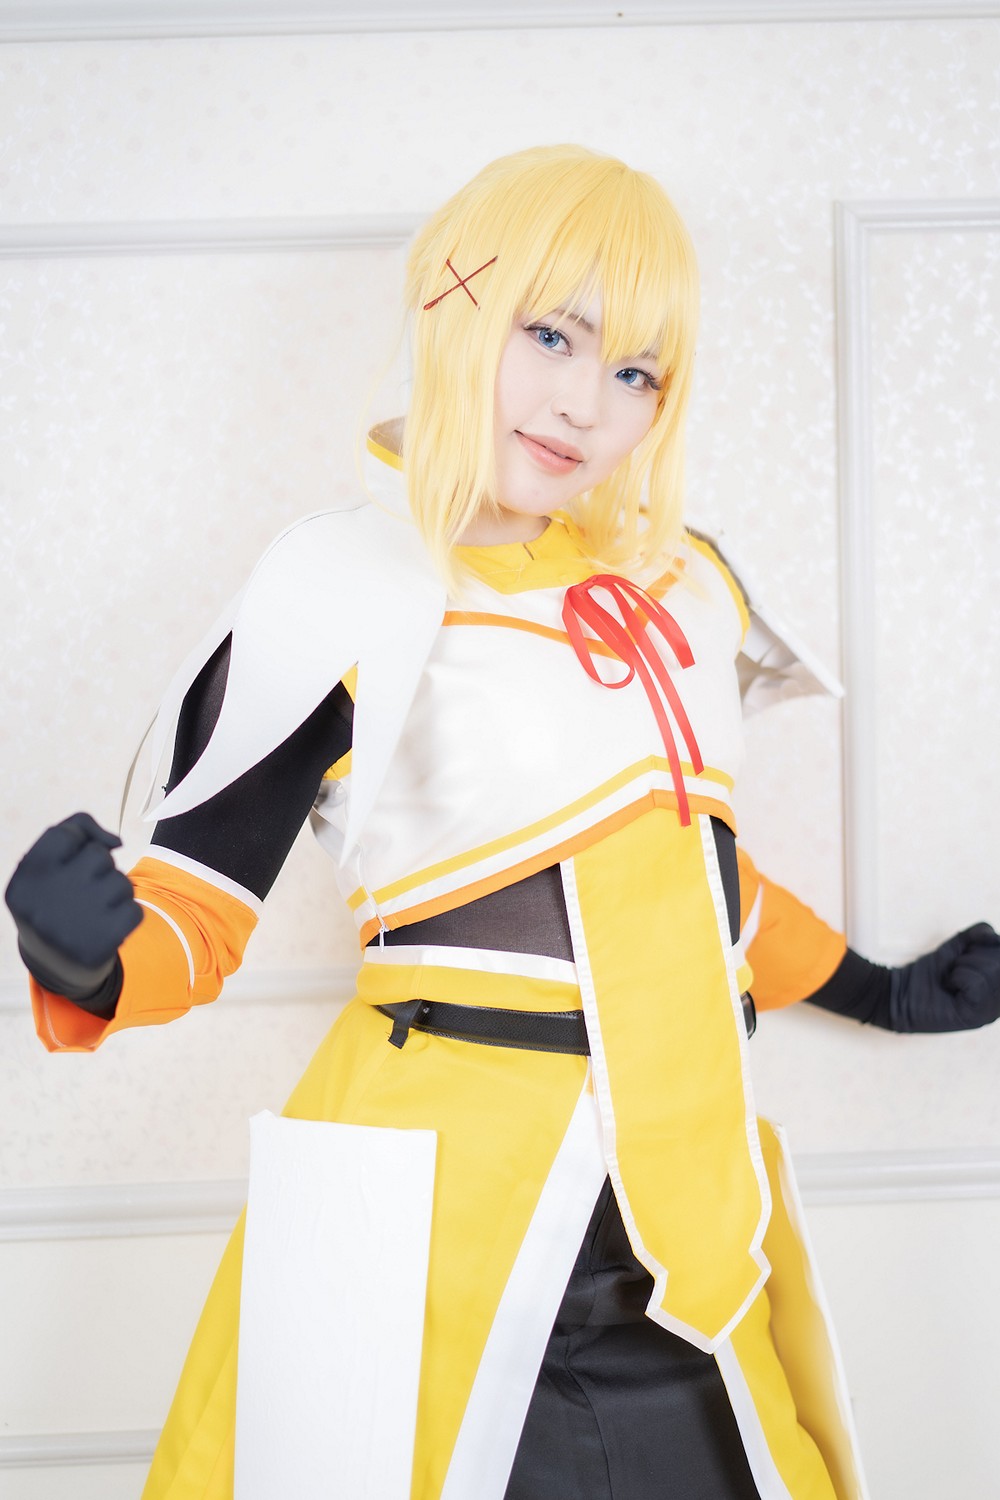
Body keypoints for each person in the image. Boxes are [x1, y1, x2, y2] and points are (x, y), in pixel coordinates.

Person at [6, 144, 1000, 1500]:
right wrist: (89, 960)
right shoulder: (337, 583)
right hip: (436, 1230)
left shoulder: (681, 585)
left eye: (638, 371)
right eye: (552, 335)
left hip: (685, 1226)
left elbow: (691, 881)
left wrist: (880, 991)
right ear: (450, 298)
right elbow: (198, 913)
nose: (586, 403)